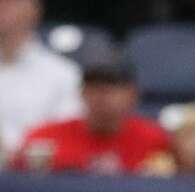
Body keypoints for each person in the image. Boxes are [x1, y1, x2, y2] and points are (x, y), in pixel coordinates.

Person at [11, 46, 168, 174]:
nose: (102, 96)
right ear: (82, 94)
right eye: (94, 88)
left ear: (132, 95)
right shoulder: (45, 138)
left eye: (112, 88)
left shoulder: (154, 140)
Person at [0, 0, 81, 163]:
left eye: (11, 3)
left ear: (34, 11)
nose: (2, 7)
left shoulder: (64, 73)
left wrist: (15, 156)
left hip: (37, 178)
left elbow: (68, 135)